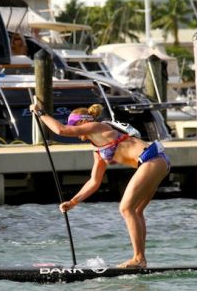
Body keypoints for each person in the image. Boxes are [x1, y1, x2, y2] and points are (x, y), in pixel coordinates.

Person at [30, 103, 170, 268]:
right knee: (136, 210)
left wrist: (40, 113)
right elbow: (94, 181)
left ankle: (138, 259)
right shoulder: (98, 149)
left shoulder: (97, 127)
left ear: (83, 121)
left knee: (126, 209)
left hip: (152, 159)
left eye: (74, 125)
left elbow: (61, 130)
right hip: (157, 162)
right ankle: (141, 259)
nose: (73, 130)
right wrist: (73, 202)